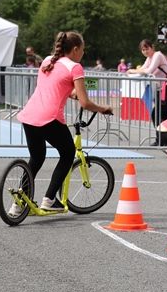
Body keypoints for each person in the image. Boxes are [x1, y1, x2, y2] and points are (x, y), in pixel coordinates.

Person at [10, 31, 113, 214]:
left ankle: (18, 205)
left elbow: (54, 87)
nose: (83, 53)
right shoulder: (75, 67)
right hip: (49, 118)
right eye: (82, 49)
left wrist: (71, 94)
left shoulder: (48, 61)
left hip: (30, 114)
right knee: (67, 153)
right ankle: (49, 200)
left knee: (36, 158)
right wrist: (103, 109)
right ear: (75, 49)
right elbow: (85, 103)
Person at [127, 39, 167, 125]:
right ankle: (163, 135)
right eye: (143, 50)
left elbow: (148, 70)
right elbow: (142, 69)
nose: (145, 51)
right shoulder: (149, 58)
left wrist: (132, 71)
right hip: (159, 89)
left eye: (147, 48)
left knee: (161, 114)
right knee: (160, 114)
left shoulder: (157, 55)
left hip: (166, 88)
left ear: (152, 47)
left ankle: (166, 135)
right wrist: (133, 71)